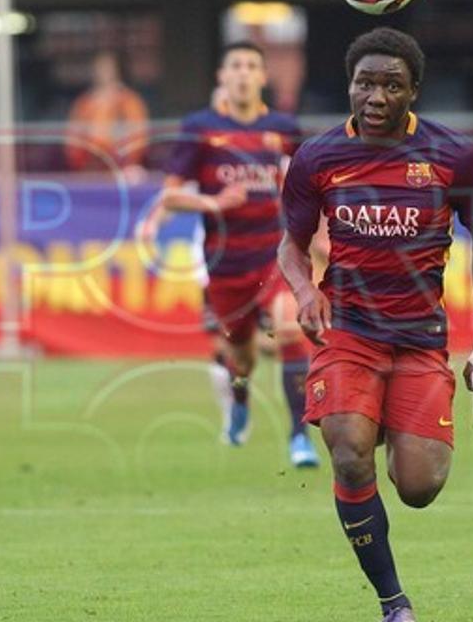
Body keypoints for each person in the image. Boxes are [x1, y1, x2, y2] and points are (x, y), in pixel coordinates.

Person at [278, 27, 473, 622]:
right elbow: (292, 246)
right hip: (347, 333)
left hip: (419, 339)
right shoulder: (318, 159)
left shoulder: (452, 156)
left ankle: (374, 420)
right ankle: (394, 605)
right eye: (364, 83)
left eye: (391, 85)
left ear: (414, 92)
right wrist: (303, 293)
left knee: (419, 486)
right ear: (349, 86)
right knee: (350, 453)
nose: (376, 96)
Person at [147, 41, 319, 467]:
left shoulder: (283, 127)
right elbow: (170, 197)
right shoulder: (200, 128)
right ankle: (240, 402)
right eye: (235, 66)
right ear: (223, 77)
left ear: (263, 76)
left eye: (251, 66)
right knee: (239, 356)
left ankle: (300, 437)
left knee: (287, 327)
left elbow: (307, 186)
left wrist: (318, 232)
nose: (243, 73)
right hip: (225, 264)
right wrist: (212, 203)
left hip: (273, 254)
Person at [65, 50, 149, 181]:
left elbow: (138, 139)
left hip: (123, 171)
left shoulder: (129, 101)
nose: (104, 72)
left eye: (108, 68)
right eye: (100, 68)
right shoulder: (84, 103)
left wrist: (122, 159)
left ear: (117, 70)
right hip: (90, 171)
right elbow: (73, 142)